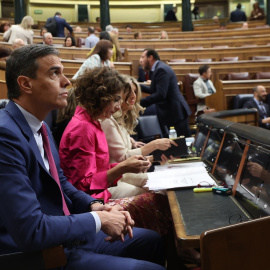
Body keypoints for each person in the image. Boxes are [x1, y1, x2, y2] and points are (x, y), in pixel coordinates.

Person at [0, 44, 166, 270]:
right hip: (43, 253)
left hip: (64, 233)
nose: (67, 82)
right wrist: (99, 220)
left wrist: (95, 207)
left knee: (153, 242)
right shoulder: (5, 136)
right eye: (54, 73)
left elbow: (63, 185)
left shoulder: (41, 126)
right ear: (26, 84)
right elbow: (32, 230)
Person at [59, 67, 174, 237]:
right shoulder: (82, 128)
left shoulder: (93, 122)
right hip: (92, 203)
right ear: (100, 97)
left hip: (101, 193)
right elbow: (82, 186)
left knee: (160, 191)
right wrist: (122, 168)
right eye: (116, 100)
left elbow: (99, 169)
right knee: (158, 200)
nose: (119, 106)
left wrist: (126, 167)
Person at [101, 75, 177, 197]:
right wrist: (154, 145)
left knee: (164, 188)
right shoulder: (108, 121)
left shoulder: (121, 119)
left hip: (124, 174)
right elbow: (123, 158)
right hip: (114, 178)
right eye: (128, 91)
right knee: (154, 195)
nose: (133, 96)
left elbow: (126, 156)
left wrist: (152, 158)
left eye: (135, 92)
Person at [139, 49, 191, 138]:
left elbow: (160, 95)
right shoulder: (158, 68)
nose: (140, 60)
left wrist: (140, 103)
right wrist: (137, 85)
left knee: (183, 143)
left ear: (150, 58)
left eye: (143, 57)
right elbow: (153, 90)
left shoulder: (161, 70)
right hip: (172, 112)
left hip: (176, 112)